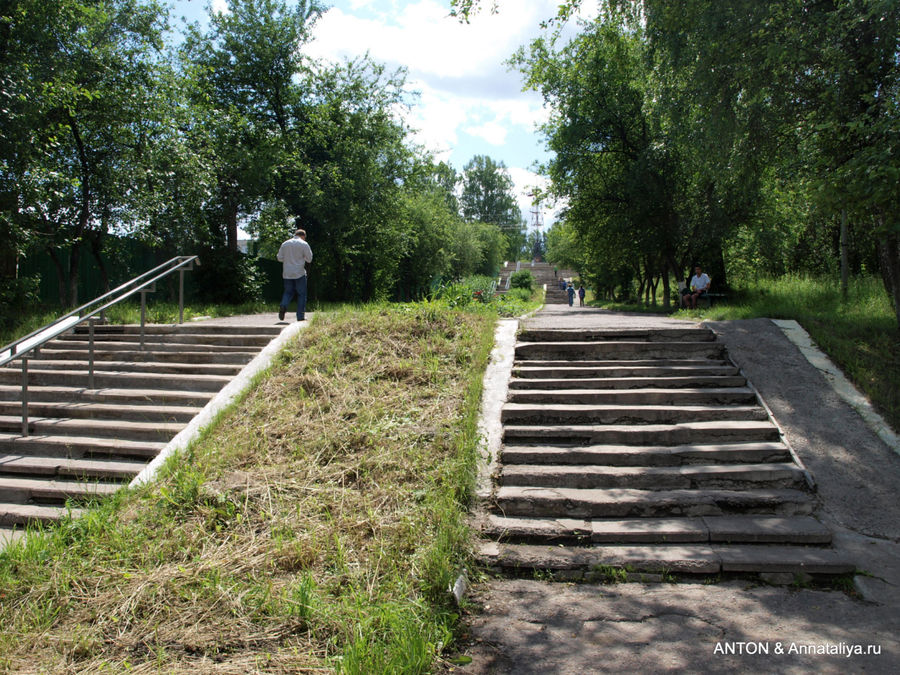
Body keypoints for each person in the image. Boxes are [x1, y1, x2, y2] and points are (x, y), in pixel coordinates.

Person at [277, 228, 313, 321]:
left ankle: (283, 305)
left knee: (288, 292)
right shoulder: (304, 244)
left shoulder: (285, 243)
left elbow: (279, 258)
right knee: (301, 294)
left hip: (287, 273)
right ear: (303, 236)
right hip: (299, 273)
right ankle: (300, 316)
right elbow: (309, 259)